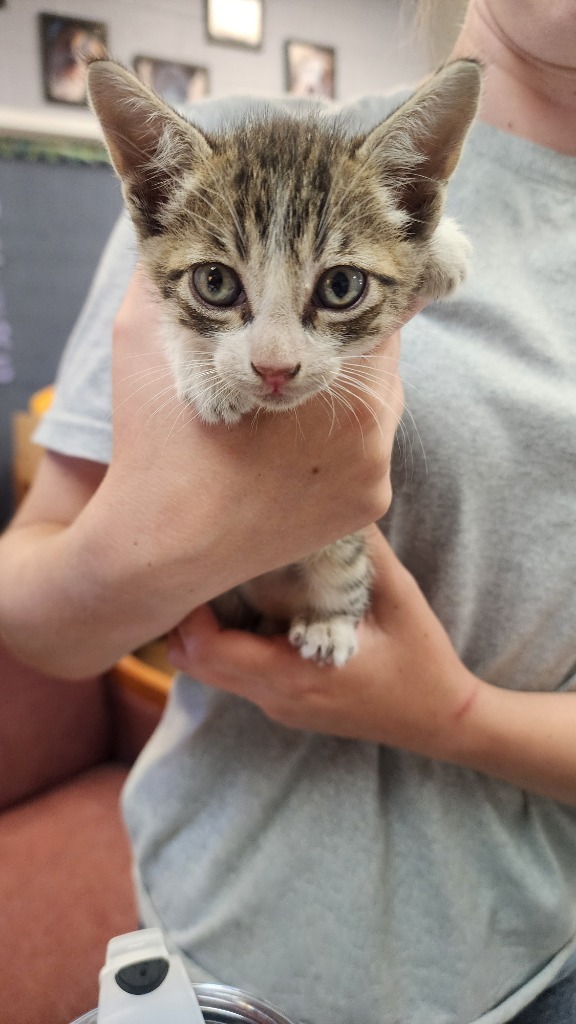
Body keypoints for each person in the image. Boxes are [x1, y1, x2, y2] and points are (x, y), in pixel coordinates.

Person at [1, 1, 575, 1020]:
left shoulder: (386, 202)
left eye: (339, 289)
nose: (271, 362)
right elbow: (32, 595)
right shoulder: (224, 141)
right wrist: (150, 552)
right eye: (219, 285)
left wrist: (449, 715)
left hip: (536, 955)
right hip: (216, 938)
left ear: (420, 191)